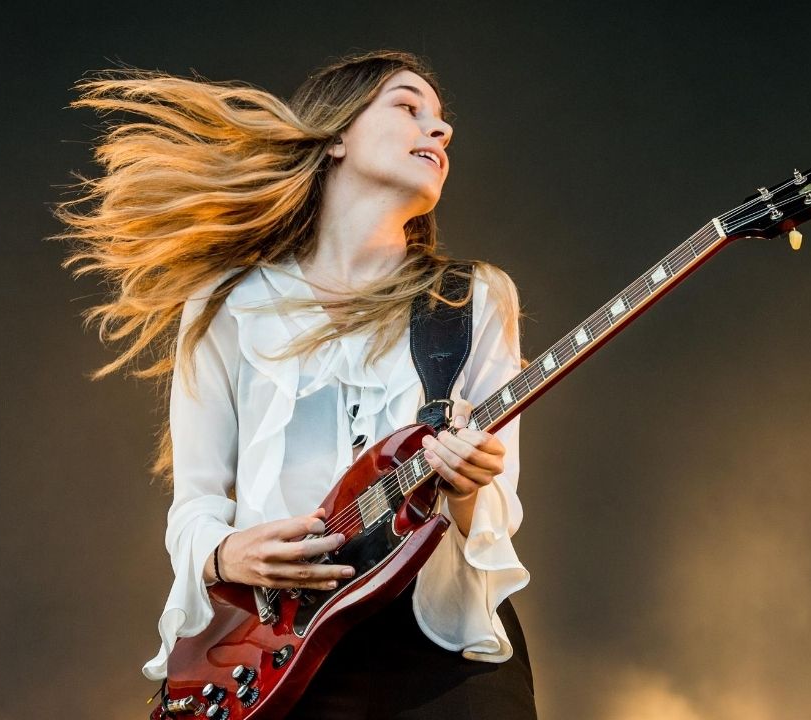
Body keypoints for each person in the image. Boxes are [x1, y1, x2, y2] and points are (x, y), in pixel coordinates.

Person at [53, 49, 537, 718]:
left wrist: (468, 485)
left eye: (441, 117)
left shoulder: (470, 299)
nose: (440, 129)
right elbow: (193, 504)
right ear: (336, 135)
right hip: (281, 651)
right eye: (407, 107)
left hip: (441, 643)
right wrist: (225, 555)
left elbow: (495, 510)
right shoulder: (227, 303)